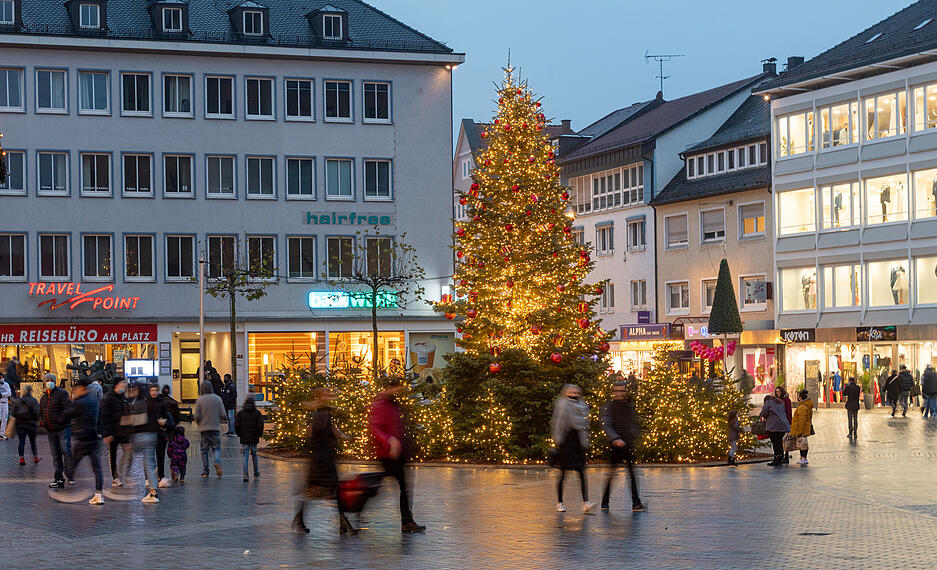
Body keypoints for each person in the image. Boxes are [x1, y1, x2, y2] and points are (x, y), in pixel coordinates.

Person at [294, 388, 355, 535]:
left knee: (317, 493)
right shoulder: (322, 415)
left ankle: (342, 523)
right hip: (323, 460)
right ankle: (343, 524)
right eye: (327, 395)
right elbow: (333, 432)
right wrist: (346, 437)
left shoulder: (320, 414)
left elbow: (310, 433)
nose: (330, 397)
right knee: (329, 492)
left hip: (319, 459)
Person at [369, 378, 426, 533]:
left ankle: (407, 522)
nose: (398, 390)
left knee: (402, 487)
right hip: (387, 454)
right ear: (389, 388)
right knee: (388, 486)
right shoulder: (381, 405)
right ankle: (406, 522)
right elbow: (376, 428)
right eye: (396, 388)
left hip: (396, 453)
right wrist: (390, 442)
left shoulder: (392, 404)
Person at [551, 384, 596, 514]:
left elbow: (584, 424)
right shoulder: (563, 404)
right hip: (566, 441)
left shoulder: (582, 404)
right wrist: (558, 440)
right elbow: (558, 422)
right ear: (566, 392)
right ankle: (560, 502)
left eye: (576, 391)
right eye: (571, 390)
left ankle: (586, 503)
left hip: (578, 441)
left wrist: (585, 442)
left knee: (582, 473)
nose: (574, 392)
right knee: (563, 473)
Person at [600, 381, 645, 512]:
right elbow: (606, 424)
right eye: (616, 391)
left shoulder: (629, 405)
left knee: (631, 474)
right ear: (613, 392)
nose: (619, 394)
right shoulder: (609, 407)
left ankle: (636, 503)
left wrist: (633, 435)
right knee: (612, 474)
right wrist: (615, 438)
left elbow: (633, 421)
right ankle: (605, 502)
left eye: (621, 391)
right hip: (616, 444)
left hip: (627, 443)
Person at [63, 380, 105, 505]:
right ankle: (99, 494)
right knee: (97, 468)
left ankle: (70, 478)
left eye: (76, 390)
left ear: (82, 389)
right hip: (94, 438)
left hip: (83, 439)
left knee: (72, 463)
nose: (75, 392)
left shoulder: (80, 402)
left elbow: (67, 415)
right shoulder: (93, 402)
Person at [131, 383, 171, 504]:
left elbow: (137, 421)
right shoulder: (145, 403)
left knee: (149, 461)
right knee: (149, 462)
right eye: (151, 390)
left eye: (155, 390)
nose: (153, 392)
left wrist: (164, 425)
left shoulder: (144, 403)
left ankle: (153, 490)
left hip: (150, 435)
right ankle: (153, 483)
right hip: (152, 435)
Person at [40, 374, 72, 488]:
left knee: (66, 451)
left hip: (63, 428)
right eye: (47, 380)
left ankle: (70, 474)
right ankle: (58, 479)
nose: (49, 382)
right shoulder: (43, 398)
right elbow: (42, 412)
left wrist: (60, 421)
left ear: (55, 382)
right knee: (55, 455)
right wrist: (42, 422)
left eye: (51, 380)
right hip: (51, 431)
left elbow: (68, 410)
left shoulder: (62, 393)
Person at [101, 379, 132, 487]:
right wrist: (107, 434)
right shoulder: (109, 398)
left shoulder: (124, 398)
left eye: (124, 383)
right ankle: (115, 478)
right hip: (113, 432)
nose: (124, 385)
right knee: (113, 455)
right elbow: (105, 417)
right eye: (122, 383)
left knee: (128, 453)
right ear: (116, 385)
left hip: (123, 431)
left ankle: (124, 474)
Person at [194, 380, 226, 478]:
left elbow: (197, 416)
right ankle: (217, 462)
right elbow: (223, 414)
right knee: (216, 448)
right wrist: (218, 421)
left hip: (204, 429)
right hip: (215, 427)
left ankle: (205, 471)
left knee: (204, 450)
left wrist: (199, 424)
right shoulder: (218, 399)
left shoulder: (200, 400)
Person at [235, 396, 264, 482]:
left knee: (245, 455)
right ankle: (256, 472)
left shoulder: (240, 413)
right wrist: (258, 435)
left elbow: (237, 426)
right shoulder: (257, 413)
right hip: (254, 437)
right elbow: (260, 426)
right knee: (254, 454)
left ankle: (245, 474)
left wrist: (239, 434)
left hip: (244, 437)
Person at [156, 385, 180, 488]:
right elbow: (177, 418)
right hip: (170, 432)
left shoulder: (159, 403)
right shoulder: (173, 402)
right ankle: (173, 469)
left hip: (161, 432)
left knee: (160, 454)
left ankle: (159, 470)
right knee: (172, 453)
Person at [759, 393, 790, 467]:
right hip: (783, 425)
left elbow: (764, 413)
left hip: (774, 426)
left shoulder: (768, 402)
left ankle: (777, 459)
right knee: (779, 442)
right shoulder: (780, 403)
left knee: (775, 443)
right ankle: (780, 458)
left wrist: (762, 415)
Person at [13, 385, 40, 465]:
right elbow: (36, 412)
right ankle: (35, 457)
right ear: (31, 391)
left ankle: (21, 459)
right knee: (32, 442)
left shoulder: (18, 401)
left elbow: (14, 413)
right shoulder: (33, 400)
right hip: (31, 424)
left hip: (20, 425)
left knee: (21, 442)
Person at [790, 390, 814, 465]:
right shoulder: (806, 405)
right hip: (804, 428)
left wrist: (800, 431)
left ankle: (804, 458)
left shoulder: (802, 407)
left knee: (803, 444)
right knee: (802, 443)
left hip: (801, 429)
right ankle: (803, 458)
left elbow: (802, 420)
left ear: (800, 397)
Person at [775, 386, 793, 464]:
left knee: (785, 440)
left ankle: (786, 456)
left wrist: (789, 422)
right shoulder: (776, 400)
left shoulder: (786, 400)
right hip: (778, 422)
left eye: (779, 392)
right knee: (779, 440)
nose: (777, 393)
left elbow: (789, 412)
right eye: (776, 392)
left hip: (784, 422)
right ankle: (781, 455)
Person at [0, 373, 11, 440]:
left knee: (5, 419)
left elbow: (9, 393)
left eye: (2, 377)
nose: (1, 378)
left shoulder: (6, 384)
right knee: (0, 418)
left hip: (5, 403)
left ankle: (2, 434)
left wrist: (1, 394)